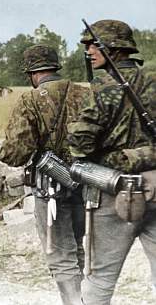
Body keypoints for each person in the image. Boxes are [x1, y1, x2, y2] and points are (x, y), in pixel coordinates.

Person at [68, 19, 156, 305]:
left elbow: (80, 145)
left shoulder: (100, 87)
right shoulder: (154, 81)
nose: (88, 50)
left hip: (113, 192)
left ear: (114, 49)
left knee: (100, 278)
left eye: (94, 44)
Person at [0, 44, 89, 305]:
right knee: (78, 246)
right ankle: (83, 296)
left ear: (31, 73)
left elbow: (14, 152)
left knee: (61, 255)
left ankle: (75, 301)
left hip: (50, 189)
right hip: (86, 183)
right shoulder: (86, 93)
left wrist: (4, 154)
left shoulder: (30, 100)